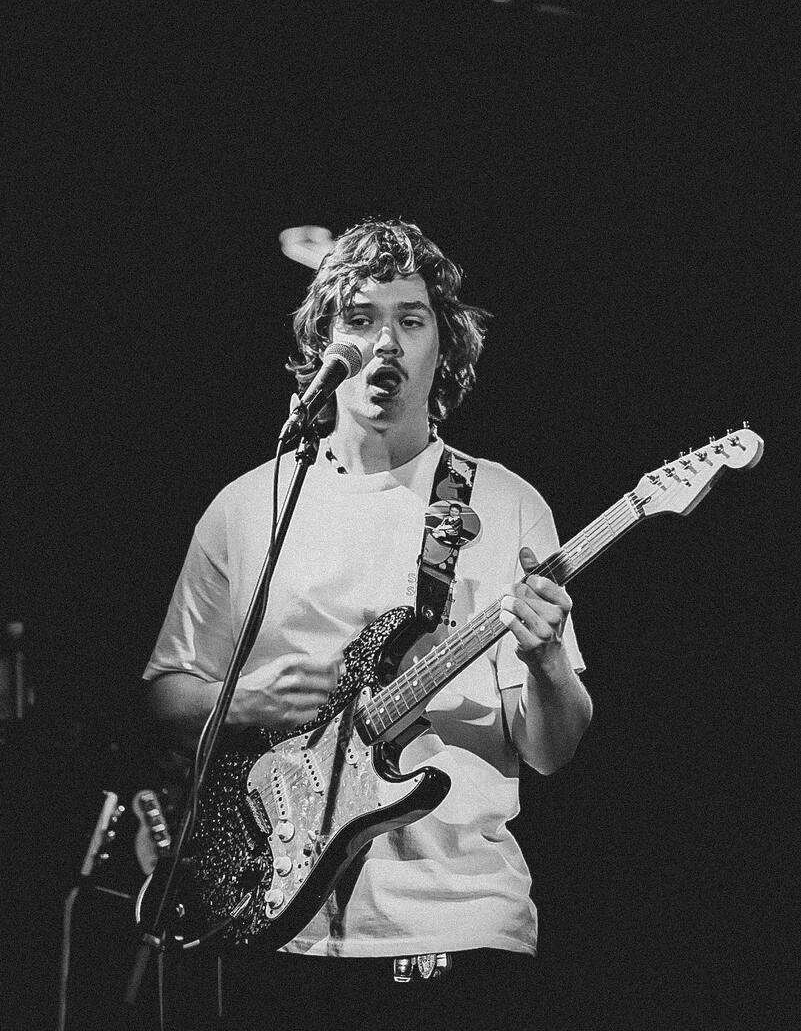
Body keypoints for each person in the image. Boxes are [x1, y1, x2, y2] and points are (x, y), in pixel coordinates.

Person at [143, 218, 593, 1031]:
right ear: (322, 341)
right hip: (275, 926)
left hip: (461, 918)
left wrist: (551, 663)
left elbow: (550, 750)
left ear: (441, 346)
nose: (384, 339)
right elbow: (163, 702)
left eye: (410, 319)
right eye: (358, 317)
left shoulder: (503, 502)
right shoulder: (249, 507)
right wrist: (239, 702)